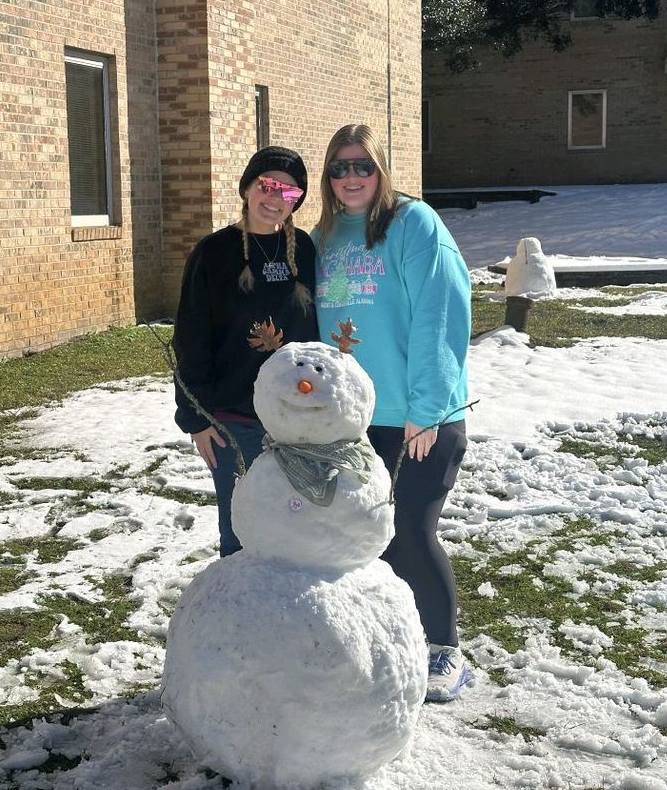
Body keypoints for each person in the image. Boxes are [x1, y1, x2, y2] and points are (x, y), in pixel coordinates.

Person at [313, 124, 471, 701]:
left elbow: (441, 315)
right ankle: (393, 636)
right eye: (339, 167)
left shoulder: (413, 223)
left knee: (410, 530)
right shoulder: (325, 236)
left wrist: (428, 408)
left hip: (417, 415)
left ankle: (444, 650)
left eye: (362, 165)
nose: (350, 177)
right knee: (366, 535)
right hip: (355, 418)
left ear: (381, 169)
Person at [173, 146, 319, 556]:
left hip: (298, 419)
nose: (276, 199)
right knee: (241, 532)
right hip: (234, 419)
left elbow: (319, 330)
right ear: (248, 188)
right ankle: (239, 616)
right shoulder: (214, 253)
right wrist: (195, 417)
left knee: (296, 525)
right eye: (268, 185)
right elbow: (191, 336)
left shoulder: (304, 250)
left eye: (290, 193)